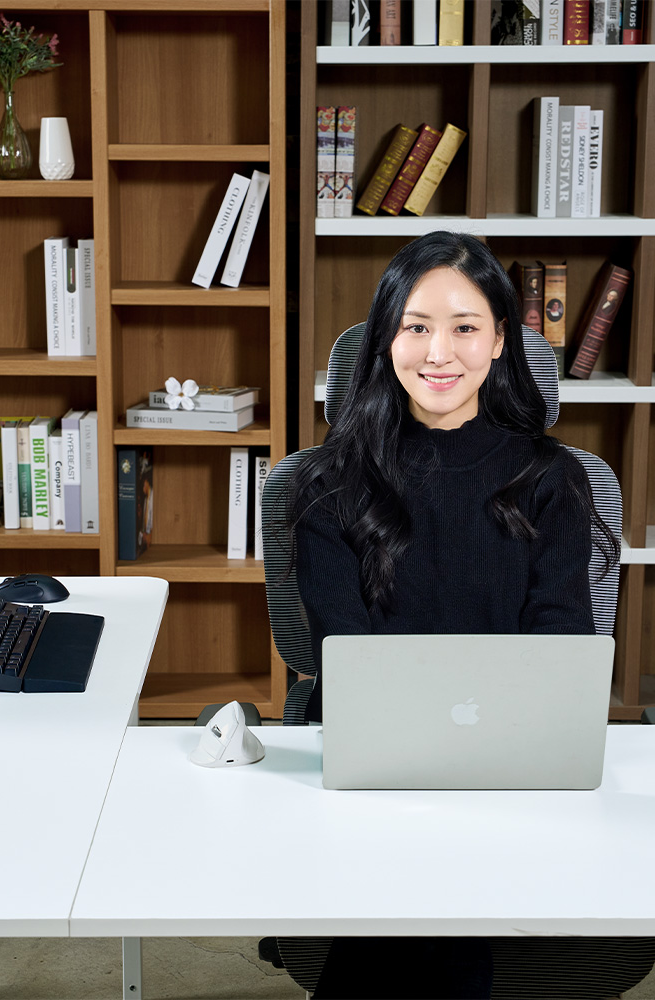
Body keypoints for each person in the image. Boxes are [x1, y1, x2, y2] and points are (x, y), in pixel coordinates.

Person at [284, 231, 620, 999]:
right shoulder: (330, 484)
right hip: (380, 779)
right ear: (386, 339)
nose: (441, 352)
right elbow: (348, 657)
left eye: (466, 327)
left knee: (424, 918)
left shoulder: (554, 479)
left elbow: (561, 643)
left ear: (501, 341)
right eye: (416, 326)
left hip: (514, 774)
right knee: (433, 908)